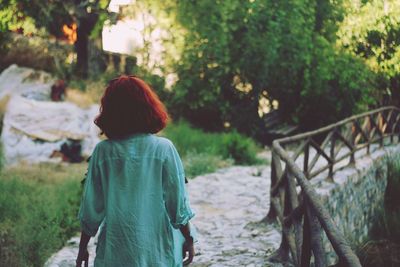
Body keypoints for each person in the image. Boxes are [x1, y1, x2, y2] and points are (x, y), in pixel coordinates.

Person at [75, 75, 196, 267]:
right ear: (148, 107)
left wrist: (83, 248)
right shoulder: (164, 149)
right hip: (155, 250)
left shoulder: (103, 152)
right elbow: (177, 205)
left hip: (115, 249)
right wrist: (188, 239)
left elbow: (91, 209)